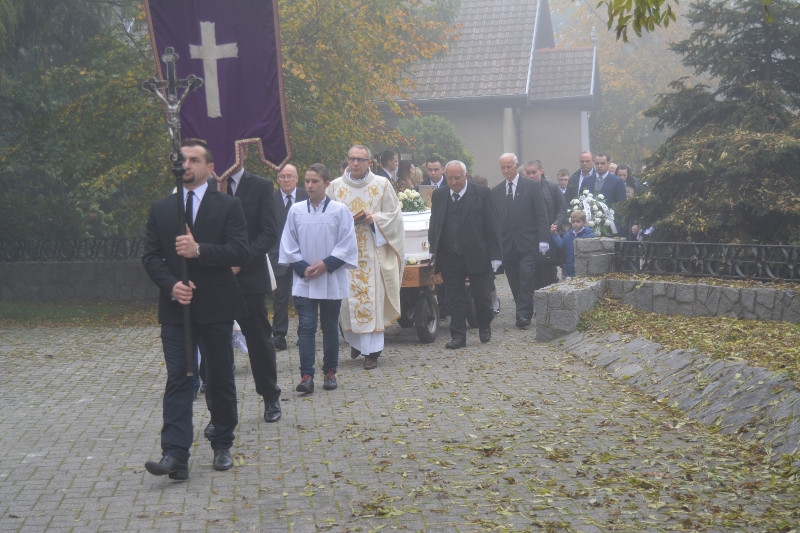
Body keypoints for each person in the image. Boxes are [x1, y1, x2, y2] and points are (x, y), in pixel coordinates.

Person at [142, 138, 249, 479]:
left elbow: (239, 251)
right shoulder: (161, 208)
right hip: (177, 309)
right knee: (179, 378)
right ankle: (175, 455)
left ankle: (221, 442)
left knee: (218, 376)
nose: (185, 165)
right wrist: (171, 285)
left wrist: (199, 250)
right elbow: (150, 256)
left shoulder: (227, 206)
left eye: (193, 160)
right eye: (181, 160)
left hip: (216, 305)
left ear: (210, 167)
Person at [279, 164, 358, 393]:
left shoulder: (339, 210)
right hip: (305, 278)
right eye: (307, 181)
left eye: (315, 181)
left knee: (330, 326)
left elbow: (347, 244)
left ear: (327, 183)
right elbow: (288, 242)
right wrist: (302, 267)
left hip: (331, 277)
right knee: (305, 327)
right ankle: (306, 376)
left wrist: (325, 264)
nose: (310, 186)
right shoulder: (296, 210)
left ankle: (330, 372)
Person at [327, 145, 405, 370]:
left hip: (373, 253)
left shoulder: (381, 185)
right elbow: (327, 218)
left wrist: (375, 220)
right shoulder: (335, 187)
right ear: (347, 160)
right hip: (345, 257)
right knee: (347, 302)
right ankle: (356, 343)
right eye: (352, 159)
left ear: (369, 162)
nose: (355, 164)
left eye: (361, 160)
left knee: (372, 301)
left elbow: (394, 217)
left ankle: (372, 353)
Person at [428, 160, 501, 349]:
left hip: (477, 254)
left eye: (457, 178)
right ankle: (458, 336)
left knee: (481, 296)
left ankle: (484, 323)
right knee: (455, 298)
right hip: (450, 255)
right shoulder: (440, 195)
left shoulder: (482, 194)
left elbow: (492, 226)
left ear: (466, 176)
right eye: (450, 178)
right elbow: (435, 224)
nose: (453, 182)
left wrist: (495, 255)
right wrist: (433, 251)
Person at [491, 153, 550, 329]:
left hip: (528, 242)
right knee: (514, 280)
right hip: (507, 244)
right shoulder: (496, 191)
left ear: (516, 166)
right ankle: (523, 307)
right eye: (503, 167)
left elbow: (541, 213)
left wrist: (543, 239)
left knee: (526, 278)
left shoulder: (530, 186)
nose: (506, 170)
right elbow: (495, 221)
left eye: (509, 166)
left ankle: (523, 315)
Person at [269, 164, 309, 352]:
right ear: (277, 179)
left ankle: (305, 333)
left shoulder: (306, 197)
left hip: (303, 255)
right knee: (280, 296)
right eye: (282, 176)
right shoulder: (270, 199)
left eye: (289, 176)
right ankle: (279, 335)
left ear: (296, 178)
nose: (286, 180)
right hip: (278, 255)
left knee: (303, 295)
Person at [521, 160, 568, 290]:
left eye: (534, 172)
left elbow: (562, 209)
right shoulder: (523, 189)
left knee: (548, 272)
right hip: (530, 238)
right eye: (528, 173)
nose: (531, 176)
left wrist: (556, 224)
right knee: (533, 273)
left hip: (549, 236)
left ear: (541, 171)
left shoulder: (552, 187)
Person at [550, 209, 596, 278]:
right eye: (573, 222)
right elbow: (561, 245)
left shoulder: (589, 235)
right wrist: (555, 234)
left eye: (578, 221)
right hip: (569, 268)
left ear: (584, 222)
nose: (575, 224)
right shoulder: (568, 235)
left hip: (583, 269)